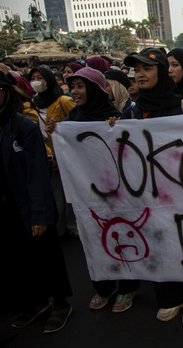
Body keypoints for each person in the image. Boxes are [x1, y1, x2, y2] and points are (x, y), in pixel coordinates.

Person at [117, 48, 183, 324]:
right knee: (160, 243)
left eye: (147, 68)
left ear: (160, 72)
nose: (140, 74)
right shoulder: (132, 115)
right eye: (137, 70)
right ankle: (170, 296)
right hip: (150, 197)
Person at [0, 67, 73, 334]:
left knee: (46, 257)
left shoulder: (23, 127)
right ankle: (34, 303)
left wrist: (40, 214)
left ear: (5, 93)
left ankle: (60, 304)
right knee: (18, 259)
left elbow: (38, 174)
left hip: (30, 206)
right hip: (7, 209)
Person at [62, 67, 140, 313]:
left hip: (115, 191)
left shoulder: (113, 118)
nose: (75, 92)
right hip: (86, 194)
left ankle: (128, 287)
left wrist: (116, 129)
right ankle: (103, 286)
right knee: (93, 238)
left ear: (94, 90)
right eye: (72, 86)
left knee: (120, 233)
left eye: (80, 86)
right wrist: (56, 135)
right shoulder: (70, 121)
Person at [29, 66, 77, 238]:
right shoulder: (33, 103)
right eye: (33, 77)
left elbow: (77, 123)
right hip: (48, 157)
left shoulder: (63, 101)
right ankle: (59, 227)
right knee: (55, 195)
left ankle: (73, 227)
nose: (36, 81)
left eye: (40, 77)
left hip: (65, 156)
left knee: (70, 195)